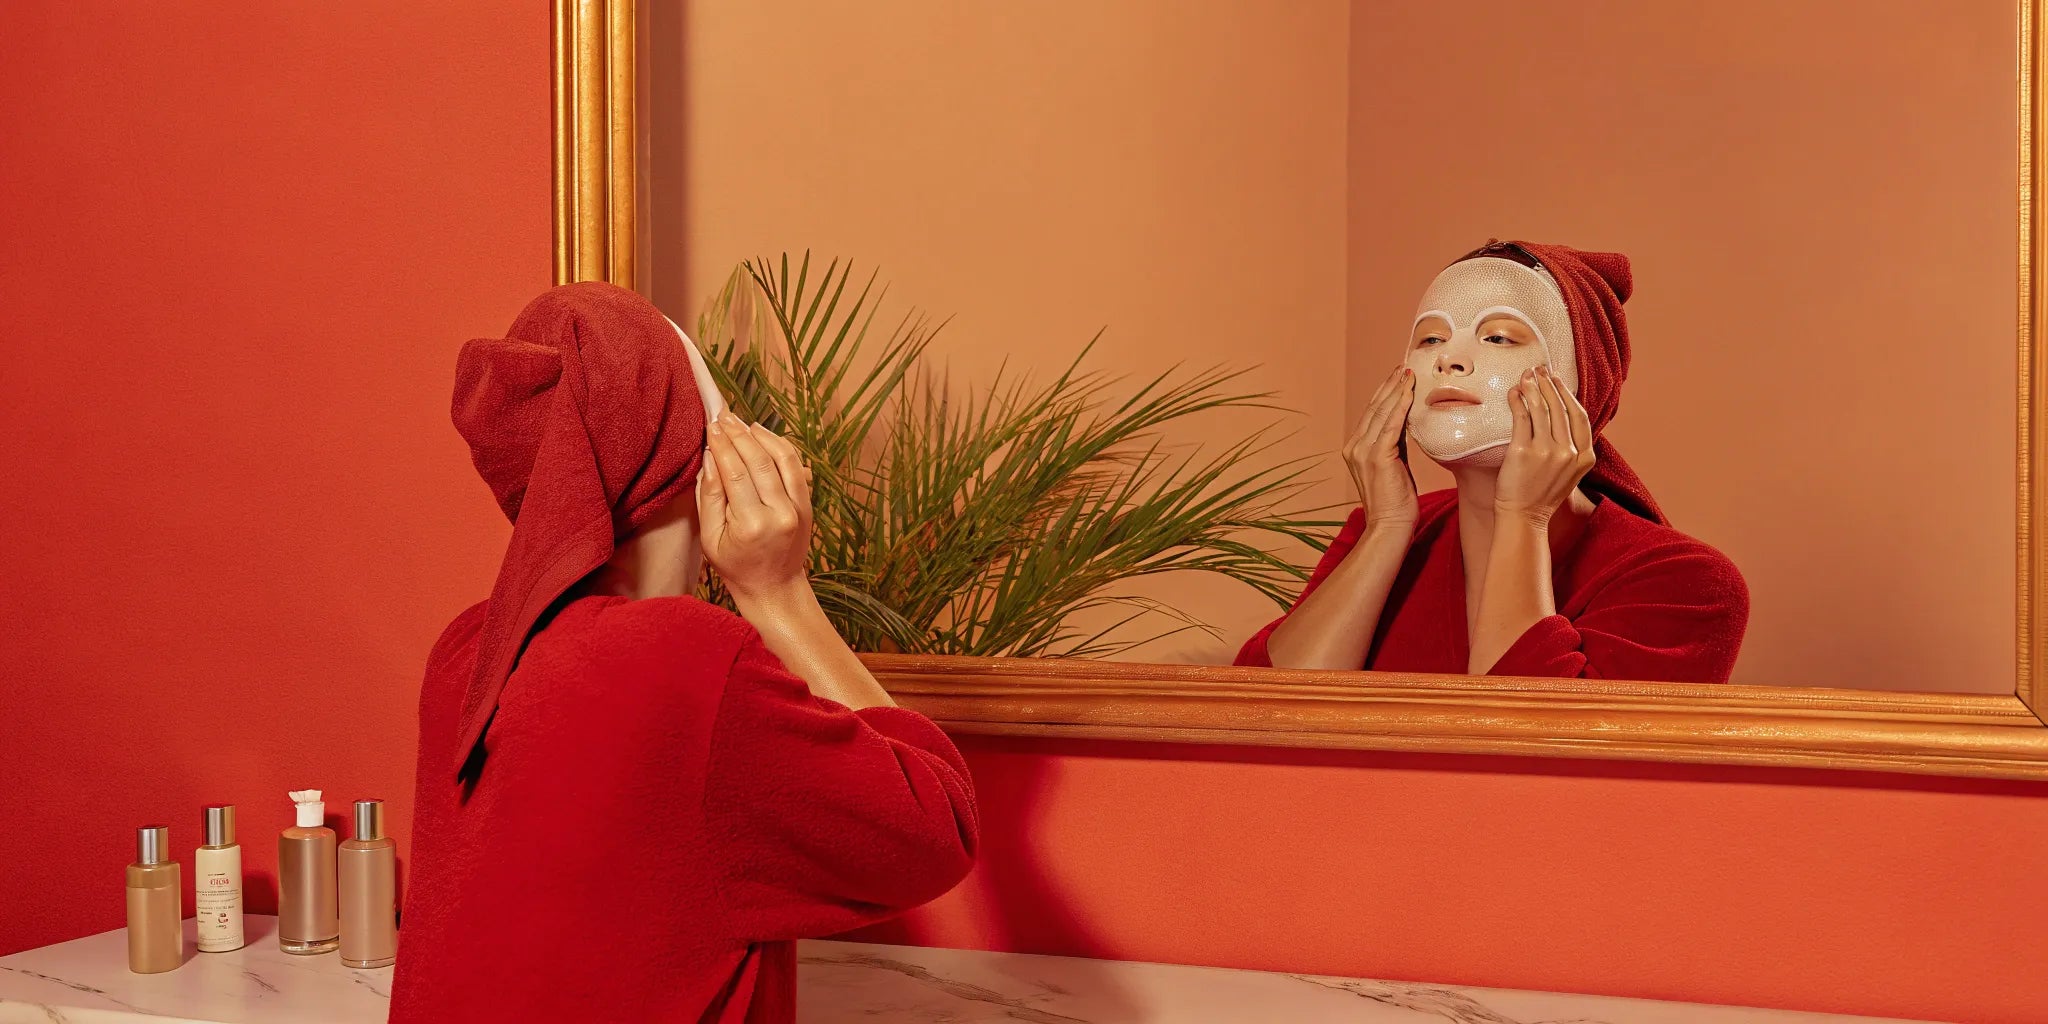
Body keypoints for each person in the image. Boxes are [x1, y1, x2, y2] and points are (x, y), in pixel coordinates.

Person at [389, 282, 978, 1023]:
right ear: (701, 458)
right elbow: (935, 831)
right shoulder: (681, 662)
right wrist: (777, 592)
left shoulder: (466, 654)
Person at [1237, 241, 1747, 682]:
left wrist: (1525, 517)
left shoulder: (1689, 582)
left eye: (1499, 337)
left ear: (1580, 384)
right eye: (1431, 337)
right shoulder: (1380, 533)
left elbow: (1527, 755)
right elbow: (1252, 725)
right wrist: (1386, 528)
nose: (1448, 359)